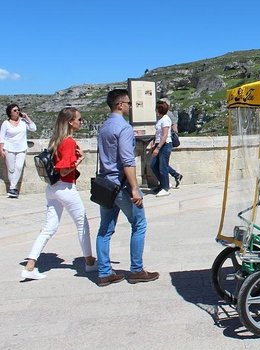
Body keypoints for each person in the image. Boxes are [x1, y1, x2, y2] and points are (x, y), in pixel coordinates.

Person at [21, 107, 97, 280]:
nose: (81, 122)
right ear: (70, 122)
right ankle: (90, 262)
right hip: (66, 187)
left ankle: (30, 265)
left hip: (52, 188)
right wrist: (79, 160)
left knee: (48, 228)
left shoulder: (56, 140)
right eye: (79, 119)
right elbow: (63, 170)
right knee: (82, 224)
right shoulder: (68, 142)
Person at [96, 89, 159, 287]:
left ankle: (104, 272)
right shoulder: (123, 128)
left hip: (105, 184)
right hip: (121, 185)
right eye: (129, 103)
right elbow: (127, 161)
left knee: (105, 229)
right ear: (120, 105)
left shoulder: (104, 127)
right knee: (139, 224)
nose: (130, 106)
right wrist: (134, 188)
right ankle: (136, 270)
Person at [0, 104, 37, 198]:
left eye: (18, 110)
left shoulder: (23, 122)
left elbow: (33, 128)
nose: (17, 112)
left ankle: (12, 188)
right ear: (10, 113)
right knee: (11, 169)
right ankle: (13, 189)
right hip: (9, 148)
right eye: (15, 110)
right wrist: (1, 149)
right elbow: (2, 137)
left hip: (21, 148)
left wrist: (27, 117)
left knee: (19, 167)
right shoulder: (6, 123)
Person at [150, 100, 173, 197]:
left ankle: (165, 188)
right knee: (153, 165)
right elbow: (158, 134)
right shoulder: (160, 119)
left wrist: (158, 148)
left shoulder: (165, 119)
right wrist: (154, 143)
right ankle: (164, 183)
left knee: (163, 167)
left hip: (165, 145)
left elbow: (164, 135)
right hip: (158, 144)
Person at [160, 98, 183, 188]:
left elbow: (174, 128)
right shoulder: (167, 114)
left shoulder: (168, 115)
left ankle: (166, 183)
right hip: (163, 141)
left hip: (166, 142)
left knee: (162, 164)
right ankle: (176, 176)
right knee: (162, 163)